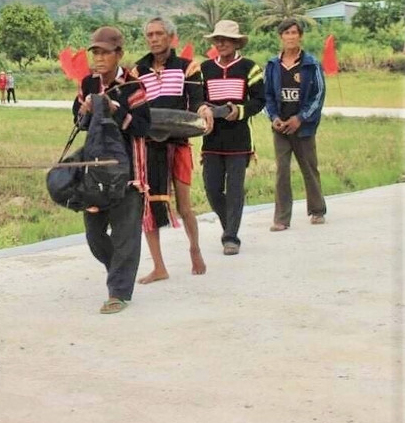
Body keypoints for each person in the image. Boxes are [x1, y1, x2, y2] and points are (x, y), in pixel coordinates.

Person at [72, 26, 151, 314]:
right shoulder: (88, 84)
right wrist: (86, 111)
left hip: (128, 170)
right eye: (95, 52)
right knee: (94, 234)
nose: (99, 58)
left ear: (119, 54)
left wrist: (116, 109)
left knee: (125, 234)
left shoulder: (134, 85)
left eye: (105, 52)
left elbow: (144, 126)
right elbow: (77, 120)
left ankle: (118, 291)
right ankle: (118, 269)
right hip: (95, 172)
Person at [130, 16, 211, 284]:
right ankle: (159, 267)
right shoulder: (136, 72)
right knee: (149, 207)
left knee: (185, 205)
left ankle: (195, 248)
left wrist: (203, 110)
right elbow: (132, 105)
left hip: (178, 144)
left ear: (171, 37)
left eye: (159, 34)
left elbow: (197, 101)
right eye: (150, 34)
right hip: (149, 146)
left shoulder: (188, 68)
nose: (153, 39)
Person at [200, 20, 265, 255]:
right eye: (217, 40)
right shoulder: (204, 69)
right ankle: (230, 225)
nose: (221, 43)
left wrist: (239, 110)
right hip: (211, 139)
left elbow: (259, 100)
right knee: (212, 188)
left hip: (238, 139)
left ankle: (231, 237)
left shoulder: (249, 67)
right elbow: (197, 98)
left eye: (225, 39)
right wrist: (203, 109)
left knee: (235, 189)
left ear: (236, 42)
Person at [264, 18, 327, 231]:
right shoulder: (273, 65)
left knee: (309, 167)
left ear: (300, 36)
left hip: (304, 126)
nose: (290, 36)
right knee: (282, 171)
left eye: (294, 32)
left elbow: (318, 95)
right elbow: (267, 96)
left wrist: (300, 118)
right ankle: (281, 219)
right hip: (281, 127)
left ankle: (317, 210)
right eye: (286, 33)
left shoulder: (311, 64)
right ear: (280, 36)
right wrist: (274, 118)